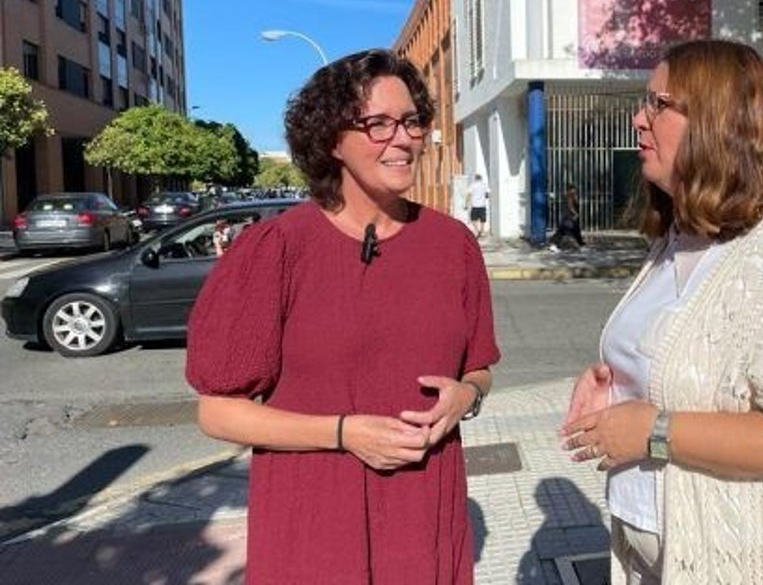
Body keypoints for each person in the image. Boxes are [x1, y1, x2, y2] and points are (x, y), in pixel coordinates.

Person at [185, 49, 500, 584]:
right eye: (378, 124)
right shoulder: (276, 249)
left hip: (424, 517)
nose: (402, 139)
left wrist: (466, 396)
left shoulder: (454, 246)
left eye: (411, 121)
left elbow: (479, 367)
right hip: (314, 526)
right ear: (331, 139)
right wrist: (343, 432)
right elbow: (217, 413)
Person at [560, 40, 763, 584]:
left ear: (717, 124)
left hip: (742, 563)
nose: (639, 119)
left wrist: (655, 432)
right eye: (644, 102)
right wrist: (615, 386)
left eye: (659, 104)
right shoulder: (676, 240)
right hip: (654, 556)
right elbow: (681, 367)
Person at [548, 183, 584, 252]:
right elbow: (570, 207)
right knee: (563, 231)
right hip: (568, 217)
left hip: (568, 217)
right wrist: (575, 213)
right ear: (570, 190)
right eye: (573, 189)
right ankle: (553, 244)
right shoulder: (570, 196)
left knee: (573, 230)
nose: (574, 191)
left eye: (574, 189)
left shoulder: (570, 196)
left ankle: (580, 243)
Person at [466, 173, 489, 237]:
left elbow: (469, 195)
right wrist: (484, 196)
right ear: (481, 178)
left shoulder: (473, 185)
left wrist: (466, 204)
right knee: (483, 220)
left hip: (475, 205)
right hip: (482, 205)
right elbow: (487, 195)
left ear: (475, 179)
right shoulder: (484, 185)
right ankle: (482, 231)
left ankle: (477, 230)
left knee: (473, 219)